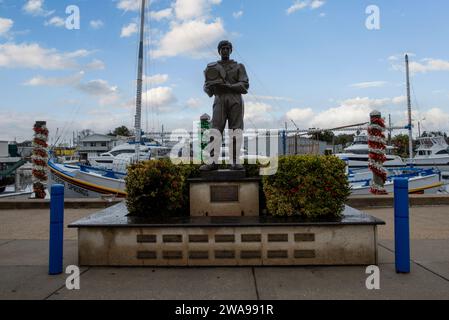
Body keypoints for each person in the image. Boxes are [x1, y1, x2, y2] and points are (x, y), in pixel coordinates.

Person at [201, 40, 249, 171]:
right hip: (219, 98)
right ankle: (212, 162)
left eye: (227, 48)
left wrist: (229, 86)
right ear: (219, 51)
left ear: (231, 50)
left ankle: (234, 161)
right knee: (215, 130)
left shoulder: (238, 66)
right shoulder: (212, 68)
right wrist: (209, 88)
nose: (225, 50)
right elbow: (206, 88)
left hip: (235, 99)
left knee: (235, 131)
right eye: (222, 48)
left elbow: (244, 86)